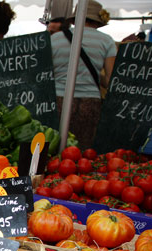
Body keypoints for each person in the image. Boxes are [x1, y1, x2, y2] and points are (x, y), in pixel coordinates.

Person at [51, 0, 116, 149]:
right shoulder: (107, 41)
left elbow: (48, 74)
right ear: (98, 22)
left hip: (59, 99)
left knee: (56, 148)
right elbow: (111, 79)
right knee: (84, 152)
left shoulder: (55, 39)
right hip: (90, 102)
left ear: (75, 19)